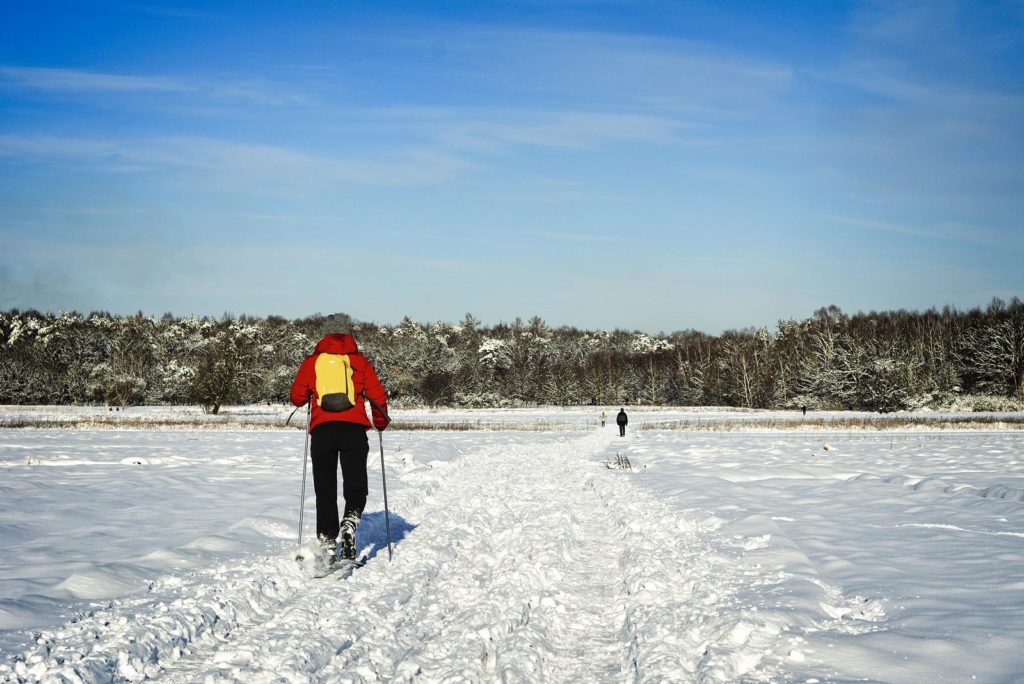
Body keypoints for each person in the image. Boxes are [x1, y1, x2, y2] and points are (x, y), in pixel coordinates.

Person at [291, 333, 389, 562]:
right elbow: (377, 395)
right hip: (353, 431)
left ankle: (327, 542)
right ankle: (350, 521)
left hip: (322, 431)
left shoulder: (312, 362)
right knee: (356, 484)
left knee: (324, 488)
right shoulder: (359, 362)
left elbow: (296, 397)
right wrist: (381, 422)